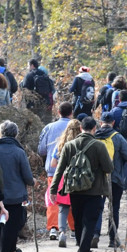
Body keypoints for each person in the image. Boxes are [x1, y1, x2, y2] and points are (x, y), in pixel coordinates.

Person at [50, 117, 113, 252]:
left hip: (75, 190)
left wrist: (53, 189)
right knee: (89, 223)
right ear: (94, 129)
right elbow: (109, 168)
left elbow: (59, 169)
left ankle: (82, 250)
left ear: (80, 129)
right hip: (94, 191)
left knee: (78, 222)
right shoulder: (99, 146)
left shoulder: (69, 146)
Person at [0, 121, 34, 252]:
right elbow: (27, 176)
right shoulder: (19, 152)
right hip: (15, 197)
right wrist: (32, 181)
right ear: (15, 134)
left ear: (0, 133)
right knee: (10, 228)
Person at [95, 112, 127, 247]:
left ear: (100, 123)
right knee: (114, 208)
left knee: (97, 207)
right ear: (113, 123)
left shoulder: (94, 136)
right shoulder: (118, 138)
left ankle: (95, 234)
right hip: (115, 179)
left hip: (97, 180)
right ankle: (112, 239)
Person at [37, 102, 73, 240]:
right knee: (71, 198)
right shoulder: (75, 127)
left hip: (53, 170)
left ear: (58, 112)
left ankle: (53, 227)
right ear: (71, 112)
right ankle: (74, 228)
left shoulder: (49, 127)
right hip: (72, 170)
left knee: (53, 199)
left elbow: (41, 150)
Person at [51, 120, 82, 247]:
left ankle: (62, 232)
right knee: (78, 208)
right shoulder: (82, 143)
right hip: (79, 178)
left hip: (64, 178)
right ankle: (76, 233)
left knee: (63, 209)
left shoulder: (61, 143)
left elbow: (53, 163)